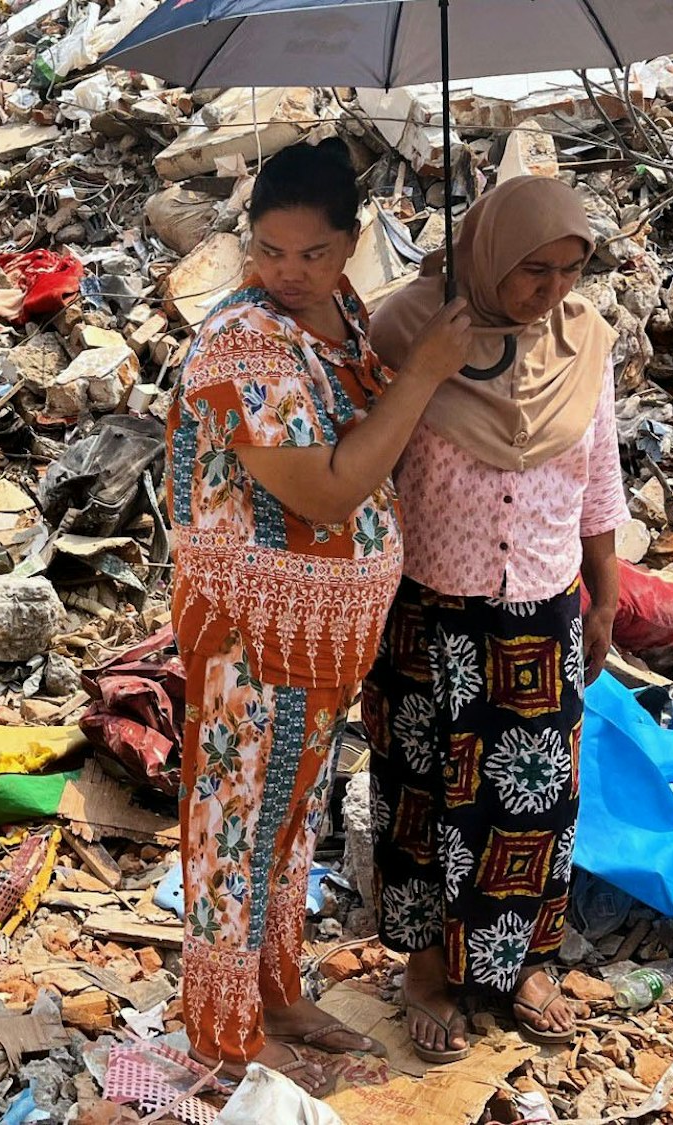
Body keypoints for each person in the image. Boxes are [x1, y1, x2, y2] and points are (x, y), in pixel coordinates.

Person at [166, 139, 472, 1080]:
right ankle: (223, 1039)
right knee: (235, 822)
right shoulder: (244, 340)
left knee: (289, 822)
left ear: (351, 245)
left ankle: (280, 994)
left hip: (324, 639)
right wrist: (425, 369)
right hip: (256, 636)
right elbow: (329, 493)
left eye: (311, 253)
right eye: (268, 250)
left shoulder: (338, 314)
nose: (287, 273)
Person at [366, 175, 629, 1061]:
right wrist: (433, 365)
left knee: (534, 800)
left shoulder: (584, 340)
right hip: (432, 612)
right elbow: (366, 464)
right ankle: (431, 972)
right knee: (427, 795)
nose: (549, 290)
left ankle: (520, 962)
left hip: (543, 611)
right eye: (529, 271)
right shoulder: (408, 329)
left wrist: (606, 593)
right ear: (485, 255)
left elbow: (599, 475)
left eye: (567, 269)